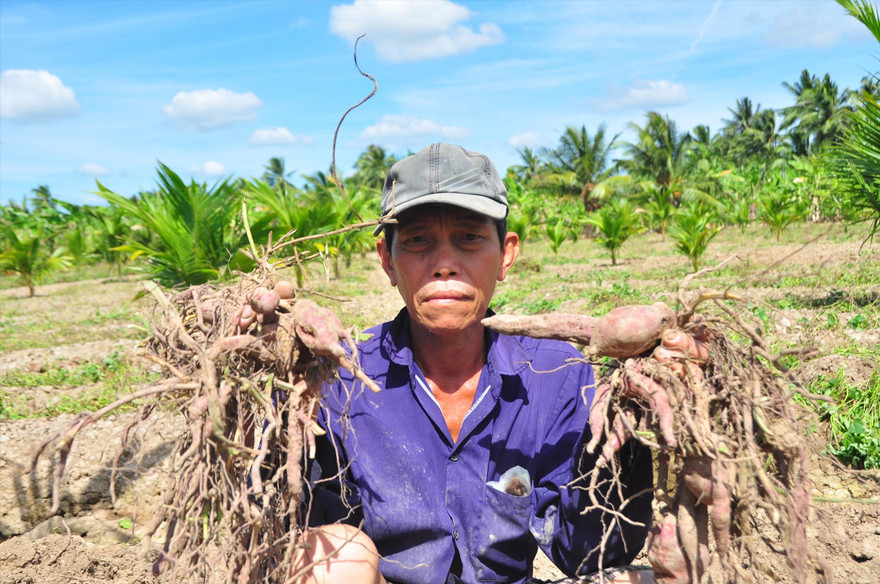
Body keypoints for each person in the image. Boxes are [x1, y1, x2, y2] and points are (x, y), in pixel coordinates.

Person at [300, 143, 657, 584]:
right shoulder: (341, 377)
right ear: (387, 260)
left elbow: (588, 552)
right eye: (418, 241)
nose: (445, 265)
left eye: (469, 238)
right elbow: (285, 516)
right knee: (336, 561)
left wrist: (628, 424)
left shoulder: (557, 374)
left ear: (505, 254)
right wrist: (260, 379)